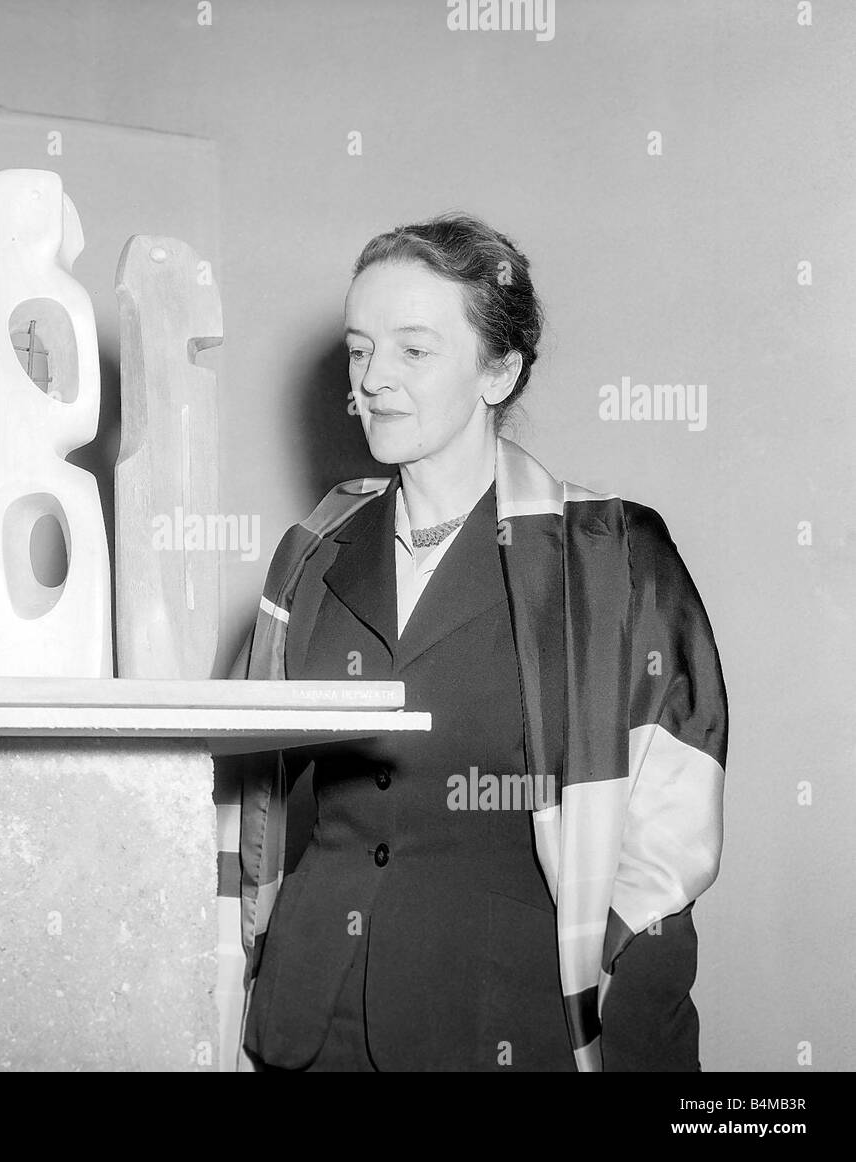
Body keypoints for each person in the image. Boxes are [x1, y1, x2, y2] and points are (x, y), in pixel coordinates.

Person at [231, 213, 728, 1072]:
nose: (373, 380)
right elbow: (249, 798)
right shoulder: (312, 551)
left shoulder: (612, 558)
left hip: (498, 1023)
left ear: (499, 370)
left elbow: (667, 852)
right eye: (359, 350)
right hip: (308, 1025)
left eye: (413, 351)